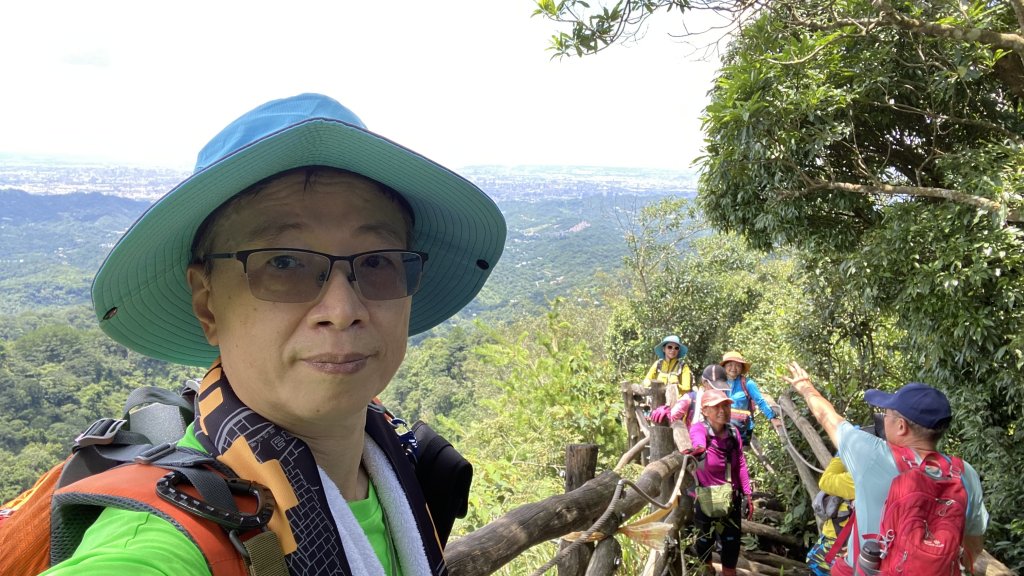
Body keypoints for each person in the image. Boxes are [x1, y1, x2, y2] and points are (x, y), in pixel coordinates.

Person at [43, 93, 507, 575]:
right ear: (208, 303)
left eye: (376, 262)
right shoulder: (165, 542)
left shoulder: (397, 465)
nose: (342, 310)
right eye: (283, 262)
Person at [784, 362, 988, 574]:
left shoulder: (872, 455)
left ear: (901, 426)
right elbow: (974, 544)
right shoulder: (964, 473)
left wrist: (806, 386)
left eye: (887, 413)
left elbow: (827, 417)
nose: (883, 418)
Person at [685, 389, 753, 576]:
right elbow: (697, 442)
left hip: (731, 498)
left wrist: (747, 494)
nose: (723, 410)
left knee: (731, 544)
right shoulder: (699, 429)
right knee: (704, 541)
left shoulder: (733, 432)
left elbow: (740, 462)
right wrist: (697, 449)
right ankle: (707, 571)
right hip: (705, 497)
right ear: (705, 411)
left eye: (726, 405)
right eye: (717, 406)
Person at [719, 351, 782, 443]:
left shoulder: (747, 383)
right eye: (730, 365)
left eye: (738, 365)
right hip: (723, 426)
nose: (733, 368)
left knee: (740, 453)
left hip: (744, 429)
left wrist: (772, 418)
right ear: (724, 367)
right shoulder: (719, 384)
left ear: (741, 368)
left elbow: (760, 401)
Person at [806, 457, 855, 576]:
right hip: (835, 543)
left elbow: (825, 481)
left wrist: (841, 455)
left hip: (837, 547)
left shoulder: (857, 480)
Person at [642, 335, 693, 406]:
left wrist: (676, 385)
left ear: (678, 351)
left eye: (676, 348)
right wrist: (650, 384)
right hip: (657, 403)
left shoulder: (683, 366)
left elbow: (687, 388)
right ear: (664, 349)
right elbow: (646, 380)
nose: (673, 350)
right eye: (669, 347)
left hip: (675, 405)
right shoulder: (657, 364)